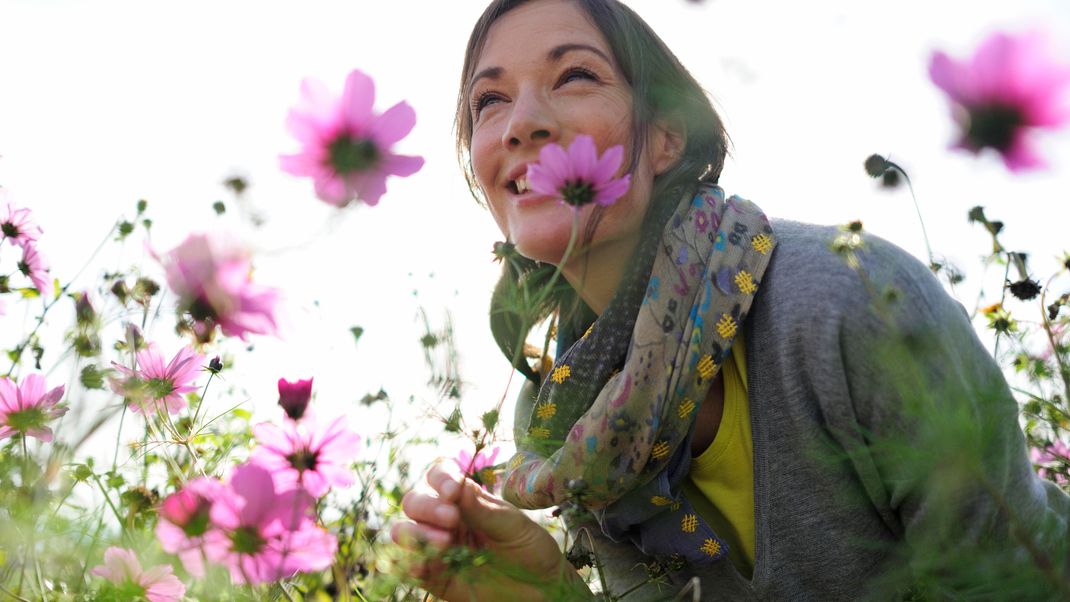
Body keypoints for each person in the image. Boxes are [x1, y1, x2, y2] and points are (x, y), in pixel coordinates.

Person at [391, 0, 1070, 599]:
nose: (522, 124)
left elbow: (1011, 580)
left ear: (666, 138)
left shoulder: (847, 299)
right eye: (489, 102)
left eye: (574, 76)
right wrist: (545, 590)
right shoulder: (564, 421)